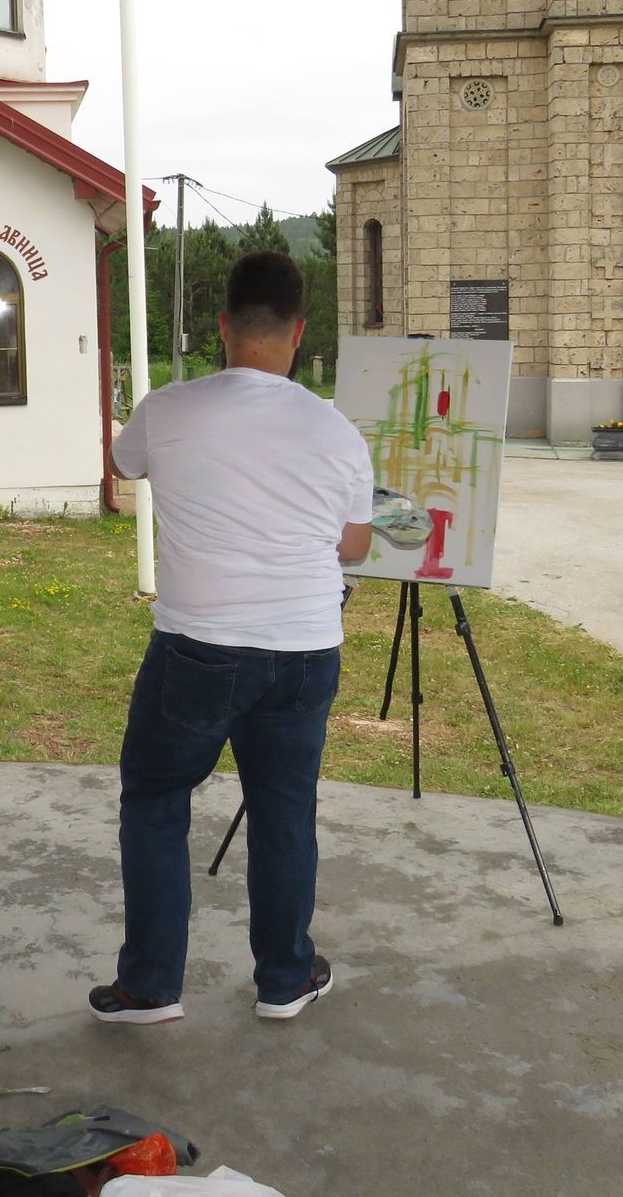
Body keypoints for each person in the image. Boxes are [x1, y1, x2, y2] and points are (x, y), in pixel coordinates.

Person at [89, 251, 373, 1026]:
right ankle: (284, 978)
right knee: (285, 811)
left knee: (154, 801)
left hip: (197, 648)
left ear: (223, 327)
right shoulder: (338, 431)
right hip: (305, 647)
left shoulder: (169, 408)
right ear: (298, 329)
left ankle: (149, 985)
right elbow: (353, 546)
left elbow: (123, 464)